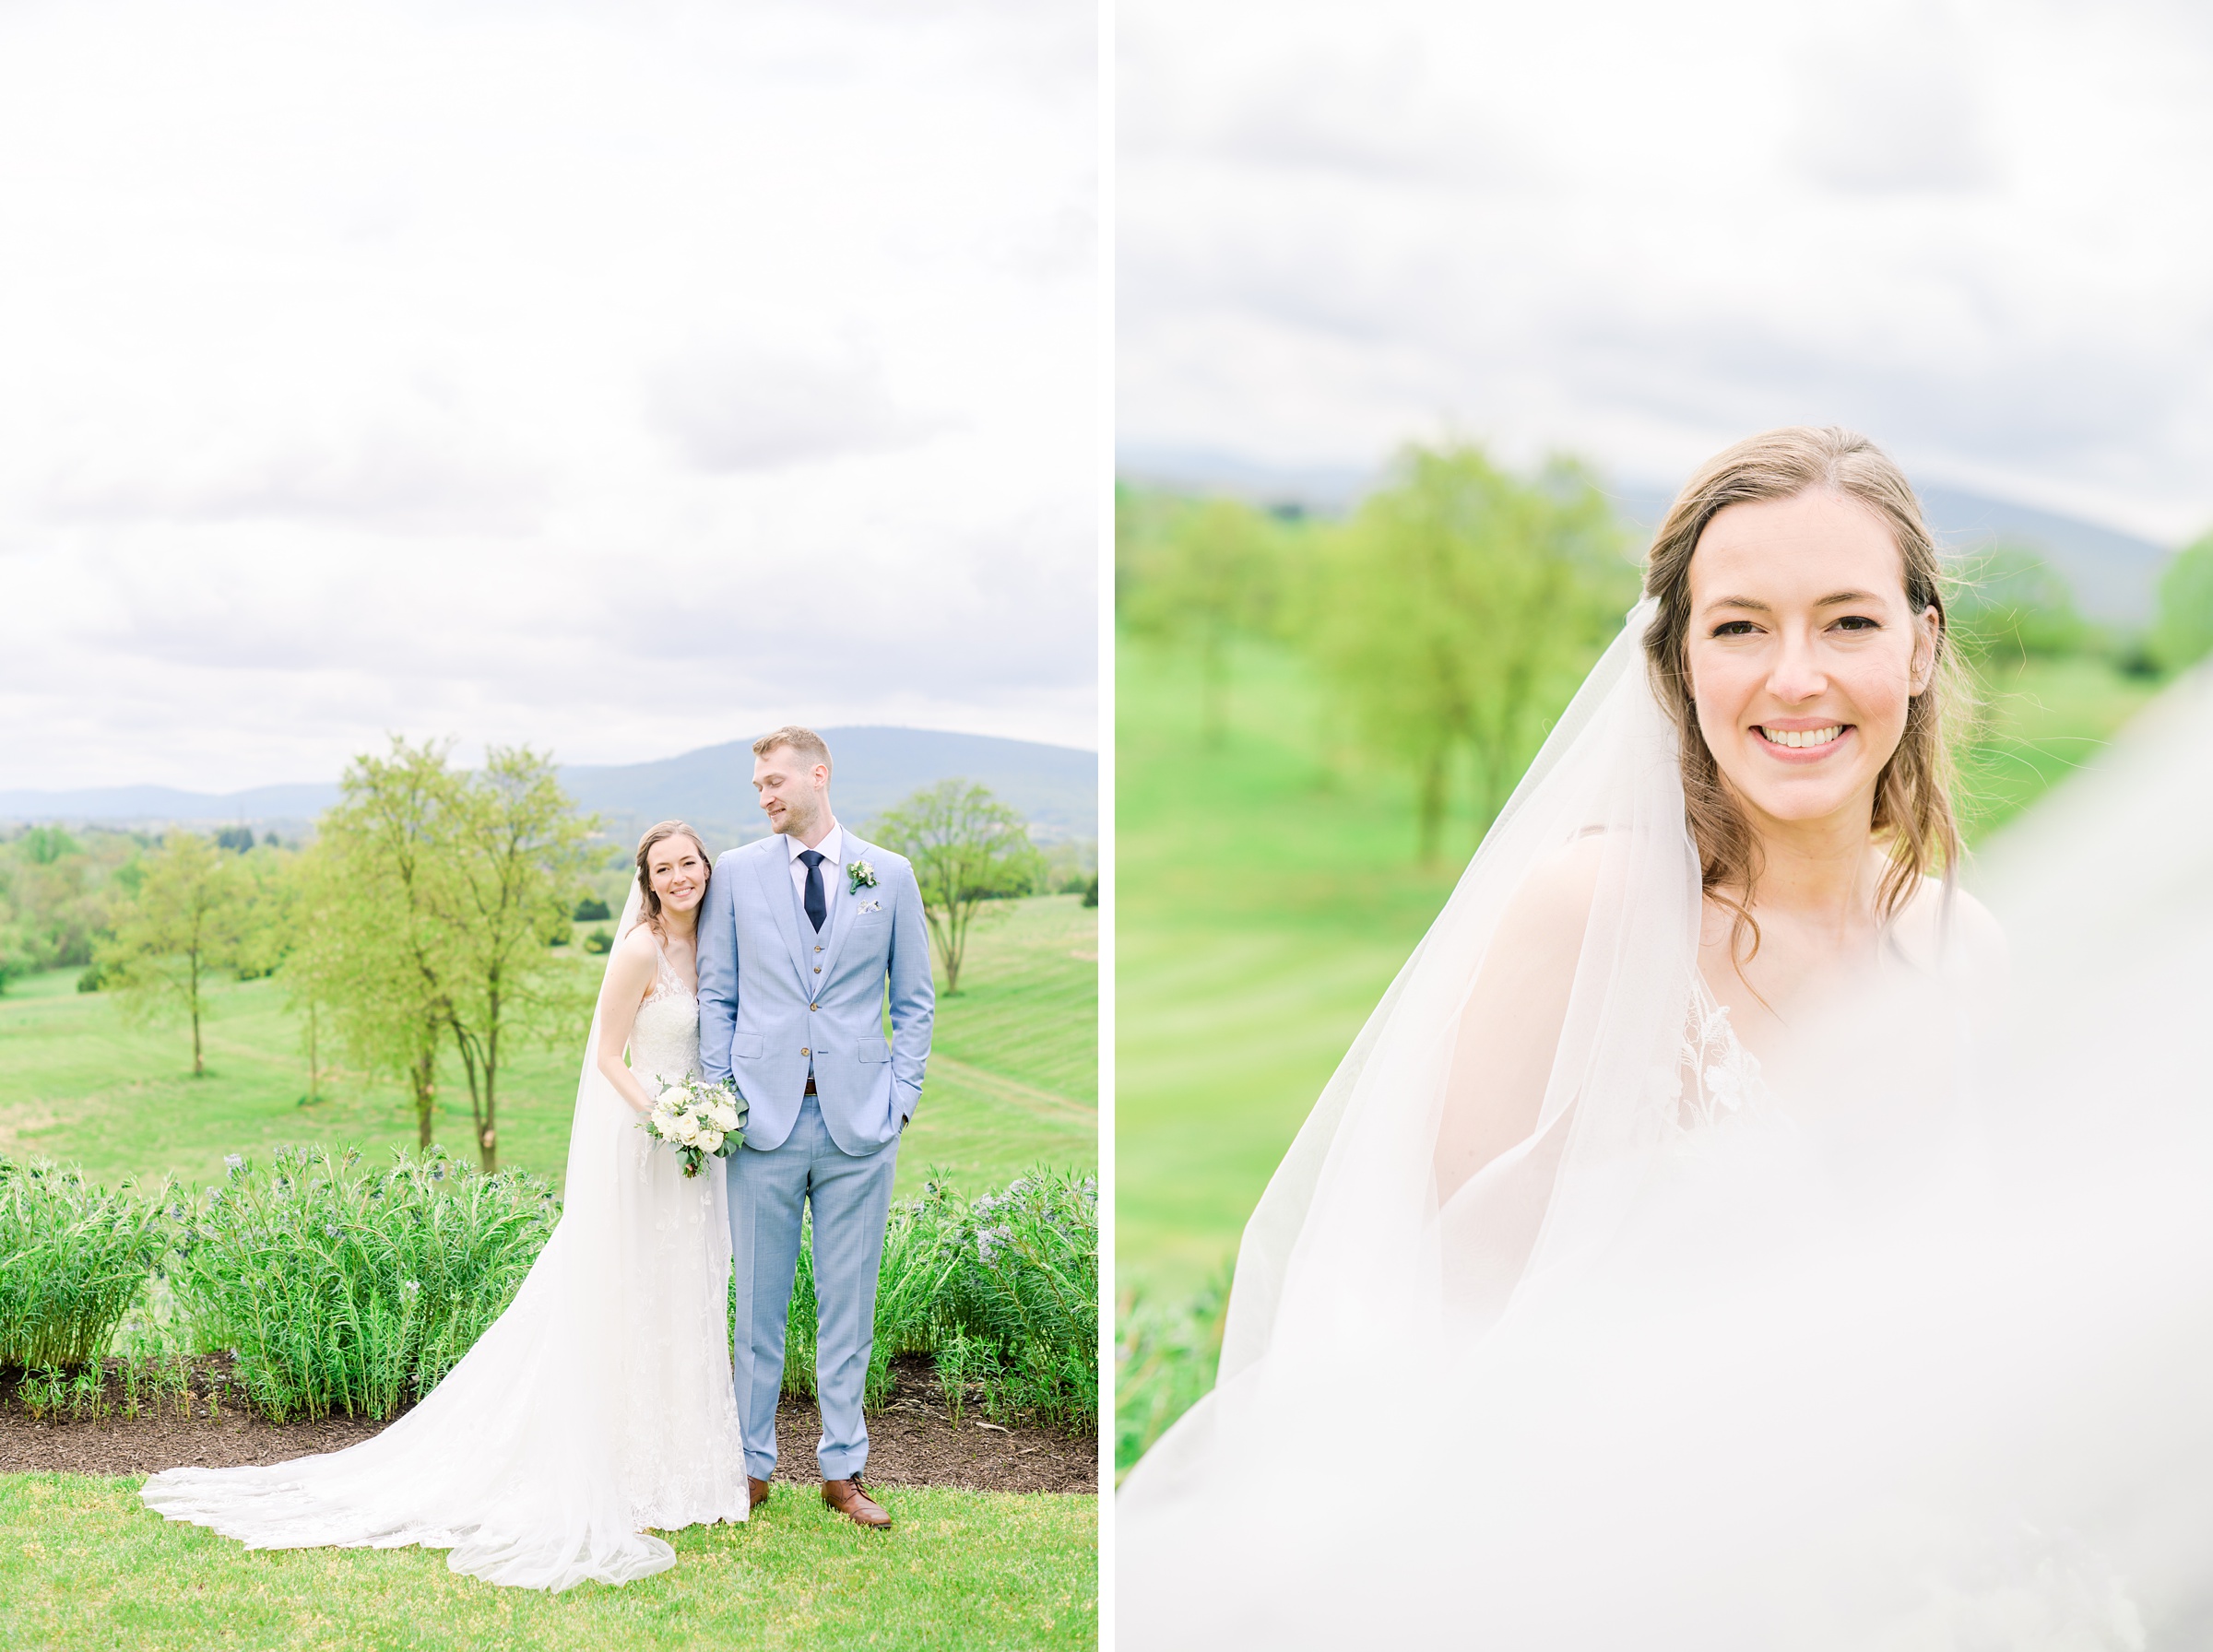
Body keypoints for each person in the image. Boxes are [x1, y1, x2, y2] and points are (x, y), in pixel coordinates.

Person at [1119, 426, 2213, 1646]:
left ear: (1921, 646)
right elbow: (1442, 1335)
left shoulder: (1970, 954)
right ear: (1679, 660)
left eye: (1848, 621)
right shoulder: (1591, 919)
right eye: (1740, 625)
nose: (1794, 675)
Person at [141, 821, 751, 1591]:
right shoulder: (639, 949)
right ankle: (622, 1466)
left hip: (697, 1154)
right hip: (648, 1140)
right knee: (624, 1297)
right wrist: (663, 1115)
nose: (679, 877)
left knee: (681, 1295)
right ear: (648, 879)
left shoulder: (718, 943)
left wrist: (703, 1120)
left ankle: (682, 1471)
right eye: (663, 868)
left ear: (706, 866)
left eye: (688, 863)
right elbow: (605, 1057)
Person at [697, 726, 934, 1529]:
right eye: (757, 786)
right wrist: (723, 1098)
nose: (764, 796)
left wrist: (898, 1101)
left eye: (774, 781)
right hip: (760, 1125)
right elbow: (718, 997)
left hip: (859, 1127)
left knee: (850, 1306)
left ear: (818, 775)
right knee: (757, 1308)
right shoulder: (734, 874)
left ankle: (843, 1471)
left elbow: (914, 1001)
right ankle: (751, 1468)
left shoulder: (890, 876)